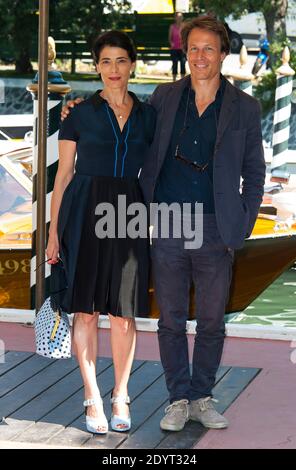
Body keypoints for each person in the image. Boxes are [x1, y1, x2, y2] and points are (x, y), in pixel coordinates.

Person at [61, 16, 266, 433]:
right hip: (167, 220)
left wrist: (243, 223)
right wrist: (76, 107)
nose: (200, 56)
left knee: (211, 320)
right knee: (170, 319)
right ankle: (177, 399)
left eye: (209, 48)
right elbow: (120, 116)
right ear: (185, 52)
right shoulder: (164, 97)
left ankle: (202, 396)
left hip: (215, 224)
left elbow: (255, 171)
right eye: (193, 48)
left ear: (223, 54)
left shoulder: (245, 107)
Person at [47, 30, 156, 435]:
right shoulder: (78, 113)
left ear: (131, 65)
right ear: (97, 66)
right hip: (83, 210)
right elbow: (63, 177)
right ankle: (92, 395)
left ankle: (121, 394)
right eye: (105, 62)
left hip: (128, 213)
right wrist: (53, 233)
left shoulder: (149, 116)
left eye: (120, 61)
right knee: (86, 310)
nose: (113, 69)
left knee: (125, 314)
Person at [169, 12, 186, 81]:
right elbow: (170, 38)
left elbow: (187, 36)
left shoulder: (184, 26)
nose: (179, 18)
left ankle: (182, 81)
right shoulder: (172, 27)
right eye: (178, 17)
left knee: (182, 63)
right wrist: (171, 43)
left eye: (180, 17)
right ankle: (174, 81)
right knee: (175, 63)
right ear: (175, 18)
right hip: (174, 48)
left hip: (182, 49)